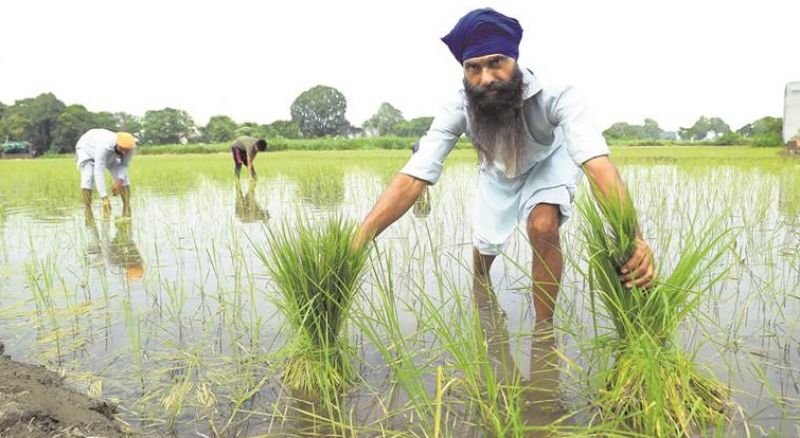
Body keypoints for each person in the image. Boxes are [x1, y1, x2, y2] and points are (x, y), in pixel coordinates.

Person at [354, 8, 655, 323]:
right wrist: (357, 243)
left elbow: (596, 162)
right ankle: (480, 285)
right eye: (473, 67)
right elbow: (415, 175)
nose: (485, 78)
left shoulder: (557, 94)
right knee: (485, 243)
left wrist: (634, 236)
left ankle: (543, 330)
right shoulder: (459, 105)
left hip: (548, 161)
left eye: (496, 62)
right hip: (497, 169)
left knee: (543, 224)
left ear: (514, 59)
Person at [75, 129, 136, 217]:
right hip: (86, 148)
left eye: (126, 150)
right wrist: (104, 197)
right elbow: (99, 171)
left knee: (124, 179)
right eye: (122, 149)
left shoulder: (130, 148)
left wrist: (119, 181)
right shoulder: (103, 146)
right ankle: (88, 210)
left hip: (112, 153)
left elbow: (124, 165)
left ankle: (126, 207)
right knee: (88, 176)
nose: (124, 152)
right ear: (117, 144)